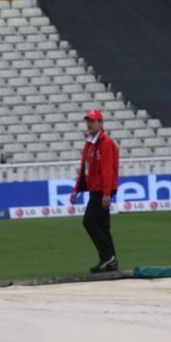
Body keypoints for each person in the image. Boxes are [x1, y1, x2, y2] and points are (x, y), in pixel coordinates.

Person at [70, 109, 120, 273]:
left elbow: (107, 171)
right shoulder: (90, 142)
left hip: (101, 189)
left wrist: (106, 193)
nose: (89, 124)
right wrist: (76, 190)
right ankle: (110, 260)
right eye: (88, 121)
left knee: (89, 221)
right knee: (103, 226)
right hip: (95, 188)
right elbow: (84, 167)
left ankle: (108, 258)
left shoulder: (105, 142)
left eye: (92, 121)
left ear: (100, 123)